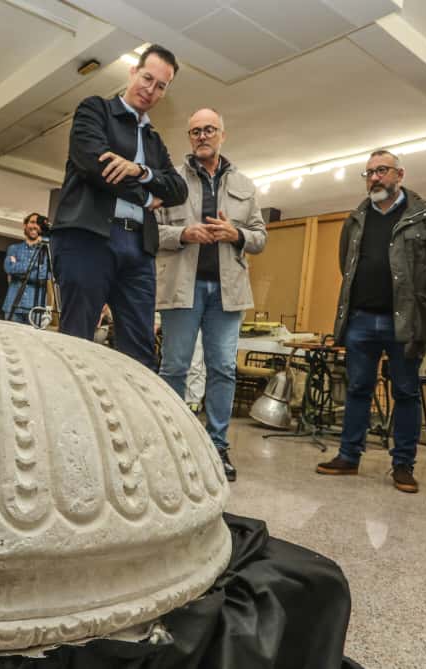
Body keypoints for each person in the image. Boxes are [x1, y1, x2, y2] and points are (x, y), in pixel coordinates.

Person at [316, 150, 426, 492]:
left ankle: (403, 465)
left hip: (404, 321)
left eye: (382, 171)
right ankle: (349, 456)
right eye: (369, 173)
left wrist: (423, 301)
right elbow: (345, 263)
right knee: (358, 388)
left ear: (399, 175)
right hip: (361, 318)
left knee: (406, 392)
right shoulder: (355, 218)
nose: (374, 178)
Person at [50, 44, 188, 369]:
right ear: (132, 72)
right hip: (88, 238)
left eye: (161, 86)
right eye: (147, 78)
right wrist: (143, 196)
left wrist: (139, 170)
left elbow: (178, 188)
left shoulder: (154, 140)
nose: (150, 89)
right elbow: (94, 164)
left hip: (138, 249)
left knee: (140, 351)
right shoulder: (95, 110)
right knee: (77, 341)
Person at [156, 108, 267, 481]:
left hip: (227, 292)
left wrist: (236, 234)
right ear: (189, 138)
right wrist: (182, 234)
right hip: (181, 289)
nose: (202, 136)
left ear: (222, 135)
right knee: (174, 368)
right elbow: (150, 231)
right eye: (195, 131)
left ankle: (217, 446)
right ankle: (169, 443)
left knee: (223, 369)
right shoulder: (170, 181)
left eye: (209, 130)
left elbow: (260, 237)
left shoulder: (246, 186)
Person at [2, 212, 48, 324]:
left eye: (38, 223)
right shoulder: (13, 249)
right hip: (13, 305)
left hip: (36, 309)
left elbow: (44, 277)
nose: (35, 226)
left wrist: (18, 270)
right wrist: (36, 266)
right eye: (32, 222)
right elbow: (9, 269)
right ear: (25, 225)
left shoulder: (47, 252)